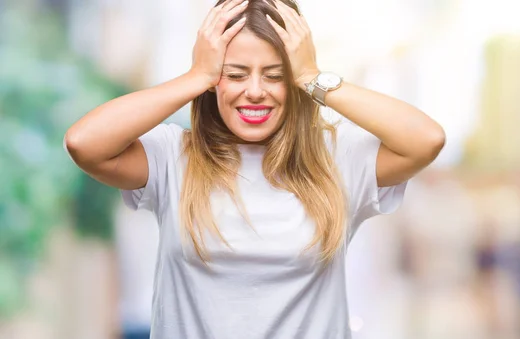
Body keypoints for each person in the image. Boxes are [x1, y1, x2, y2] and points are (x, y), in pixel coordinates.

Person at [64, 0, 445, 337]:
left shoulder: (337, 158)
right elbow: (85, 143)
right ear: (215, 81)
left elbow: (426, 140)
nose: (256, 90)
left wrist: (314, 78)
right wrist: (195, 77)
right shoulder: (172, 156)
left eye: (276, 75)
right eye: (235, 74)